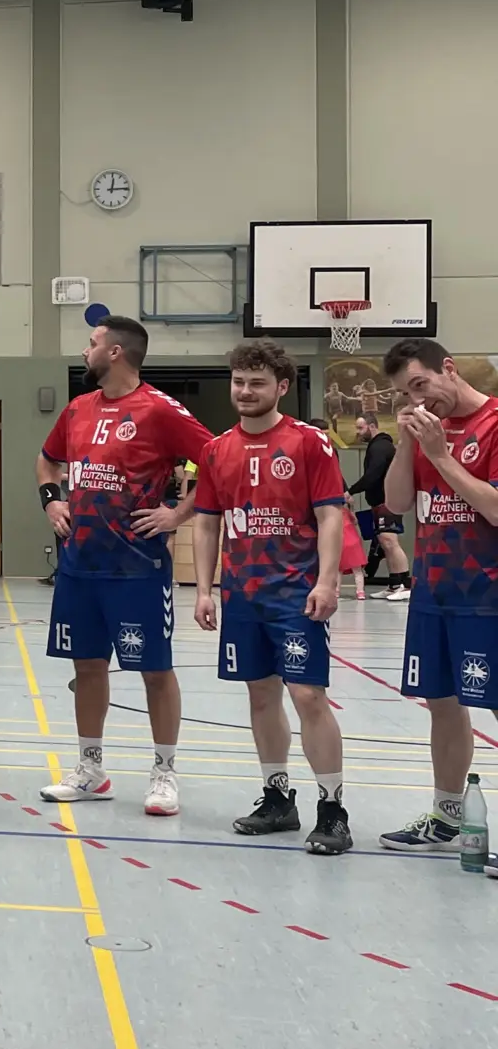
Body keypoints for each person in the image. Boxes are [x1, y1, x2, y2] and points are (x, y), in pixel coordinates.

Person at [38, 317, 213, 815]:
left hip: (137, 567)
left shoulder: (159, 409)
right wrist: (52, 500)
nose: (85, 349)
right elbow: (47, 461)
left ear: (115, 352)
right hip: (79, 566)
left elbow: (217, 461)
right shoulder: (77, 409)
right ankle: (90, 770)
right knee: (87, 667)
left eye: (92, 342)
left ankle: (164, 773)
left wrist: (177, 514)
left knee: (155, 671)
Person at [191, 340, 351, 854]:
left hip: (296, 594)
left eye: (256, 383)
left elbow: (330, 515)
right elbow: (207, 523)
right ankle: (278, 798)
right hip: (243, 595)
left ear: (281, 387)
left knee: (307, 696)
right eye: (238, 381)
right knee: (260, 695)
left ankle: (333, 809)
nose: (245, 391)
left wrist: (327, 581)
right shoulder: (216, 449)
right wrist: (205, 589)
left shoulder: (309, 442)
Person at [377, 336, 498, 854]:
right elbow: (396, 502)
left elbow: (495, 508)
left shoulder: (493, 423)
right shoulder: (425, 430)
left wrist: (442, 457)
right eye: (407, 394)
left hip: (488, 595)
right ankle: (447, 816)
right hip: (434, 591)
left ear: (448, 368)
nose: (418, 400)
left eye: (421, 385)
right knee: (441, 703)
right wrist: (409, 442)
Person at [357, 419, 413, 596]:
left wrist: (352, 490)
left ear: (372, 426)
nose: (358, 432)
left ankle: (405, 585)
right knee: (385, 542)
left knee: (390, 541)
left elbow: (373, 474)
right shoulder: (376, 446)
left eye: (360, 427)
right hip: (379, 502)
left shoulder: (380, 447)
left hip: (387, 502)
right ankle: (394, 584)